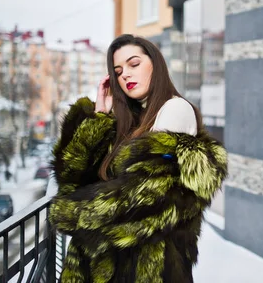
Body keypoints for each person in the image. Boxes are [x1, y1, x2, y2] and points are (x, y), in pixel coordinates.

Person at [48, 34, 228, 283]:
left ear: (156, 63)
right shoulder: (132, 121)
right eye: (118, 71)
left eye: (134, 64)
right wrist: (100, 117)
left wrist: (69, 213)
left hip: (145, 268)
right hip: (104, 264)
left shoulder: (174, 109)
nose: (125, 76)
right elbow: (70, 177)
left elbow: (139, 200)